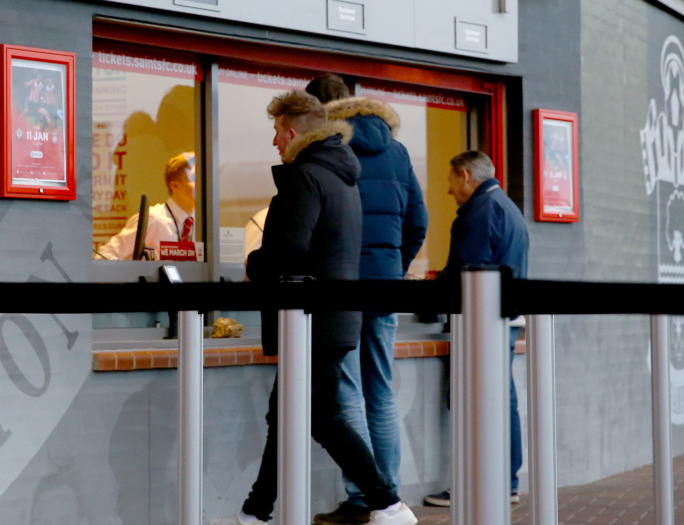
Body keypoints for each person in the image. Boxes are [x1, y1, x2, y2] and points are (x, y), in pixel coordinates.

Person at [212, 90, 416, 525]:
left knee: (318, 416)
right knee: (287, 413)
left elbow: (288, 250)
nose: (273, 144)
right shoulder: (343, 176)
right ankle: (256, 512)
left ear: (290, 132)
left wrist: (252, 262)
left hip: (309, 319)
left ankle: (388, 503)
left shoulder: (304, 177)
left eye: (274, 133)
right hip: (334, 316)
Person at [305, 74, 427, 525]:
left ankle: (365, 498)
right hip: (385, 289)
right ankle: (388, 496)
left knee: (350, 394)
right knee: (382, 394)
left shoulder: (333, 149)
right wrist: (394, 266)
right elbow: (419, 220)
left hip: (345, 288)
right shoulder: (396, 151)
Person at [423, 150, 529, 508]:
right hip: (505, 319)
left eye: (451, 180)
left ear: (466, 175)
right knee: (502, 399)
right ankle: (506, 481)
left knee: (476, 399)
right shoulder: (507, 207)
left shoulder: (479, 212)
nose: (449, 190)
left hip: (481, 324)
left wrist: (434, 289)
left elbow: (469, 273)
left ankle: (477, 483)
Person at [96, 151, 198, 260]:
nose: (202, 183)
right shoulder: (152, 219)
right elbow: (104, 256)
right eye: (195, 178)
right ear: (175, 186)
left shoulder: (204, 226)